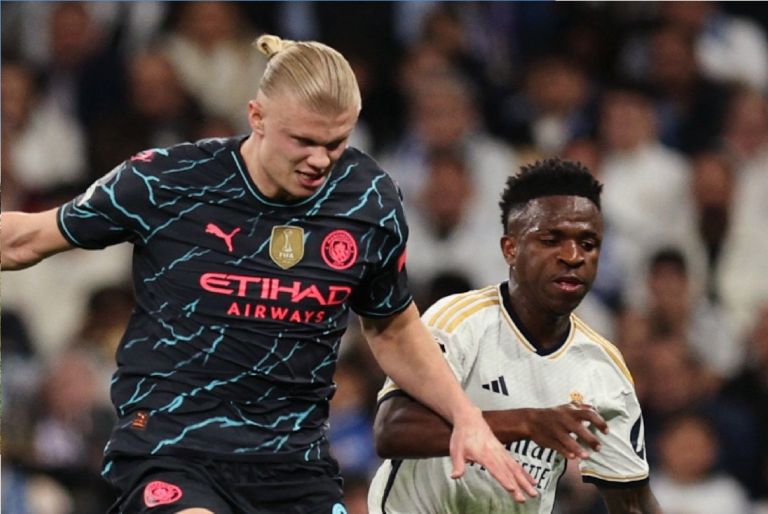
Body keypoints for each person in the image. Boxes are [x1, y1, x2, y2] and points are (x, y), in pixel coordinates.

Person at [1, 35, 538, 513]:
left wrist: (466, 415)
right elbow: (27, 237)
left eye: (336, 143)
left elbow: (393, 327)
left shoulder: (368, 200)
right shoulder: (169, 181)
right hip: (172, 449)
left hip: (291, 464)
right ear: (256, 116)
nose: (320, 161)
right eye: (303, 141)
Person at [368, 159, 663, 514]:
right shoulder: (461, 322)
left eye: (588, 244)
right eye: (551, 240)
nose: (573, 257)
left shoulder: (603, 368)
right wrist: (525, 423)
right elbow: (392, 431)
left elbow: (631, 502)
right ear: (510, 248)